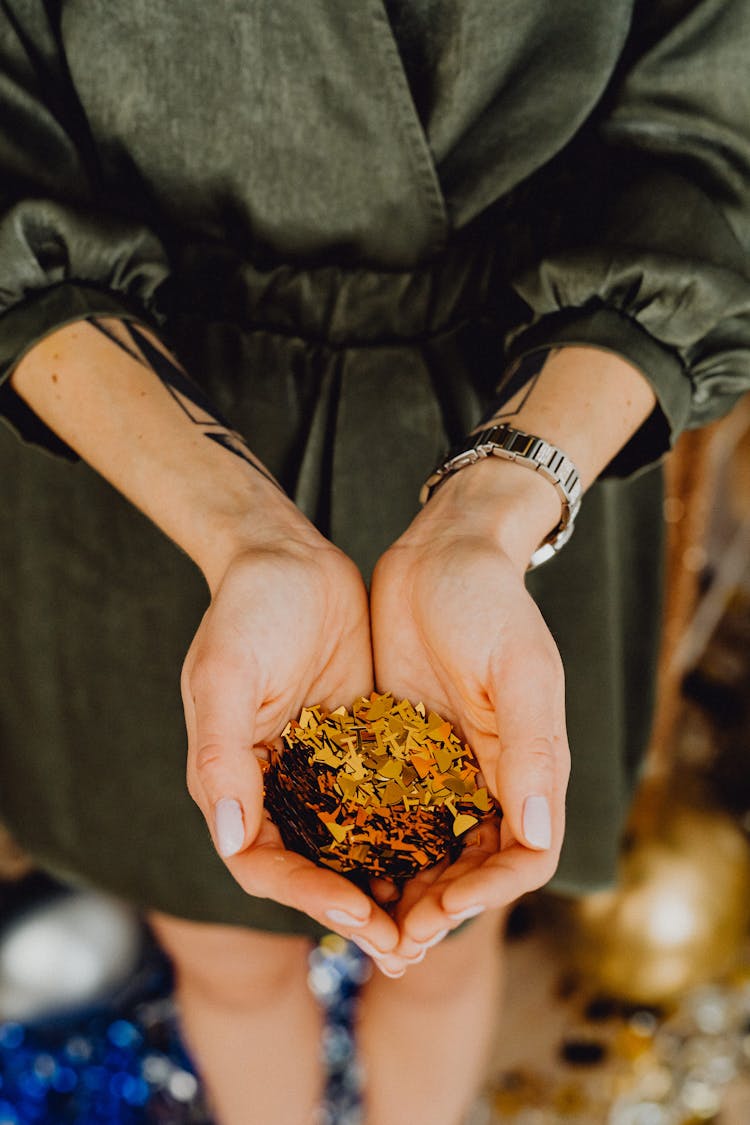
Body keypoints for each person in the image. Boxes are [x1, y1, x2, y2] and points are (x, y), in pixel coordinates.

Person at [1, 2, 749, 1122]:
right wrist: (240, 532)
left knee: (448, 944)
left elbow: (710, 132)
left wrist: (496, 513)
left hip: (531, 390)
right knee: (226, 958)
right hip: (131, 449)